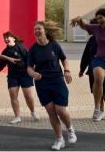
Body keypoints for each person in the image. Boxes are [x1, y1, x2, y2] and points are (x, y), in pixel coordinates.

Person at [27, 21, 76, 151]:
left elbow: (64, 59)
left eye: (39, 29)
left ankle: (70, 129)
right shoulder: (32, 49)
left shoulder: (54, 45)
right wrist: (33, 74)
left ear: (45, 31)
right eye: (35, 29)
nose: (36, 31)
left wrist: (67, 71)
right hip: (42, 83)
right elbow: (29, 68)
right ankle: (59, 139)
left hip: (57, 81)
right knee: (51, 111)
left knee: (61, 110)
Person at [0, 31, 40, 124]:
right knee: (13, 95)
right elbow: (1, 64)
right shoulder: (5, 52)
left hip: (25, 74)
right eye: (4, 38)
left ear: (13, 38)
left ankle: (33, 112)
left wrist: (32, 70)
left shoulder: (20, 47)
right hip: (13, 76)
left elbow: (29, 59)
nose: (6, 39)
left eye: (7, 37)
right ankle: (17, 117)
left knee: (28, 96)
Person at [78, 18, 105, 121]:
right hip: (92, 70)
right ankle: (99, 111)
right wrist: (82, 69)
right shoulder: (91, 40)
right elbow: (86, 55)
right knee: (96, 91)